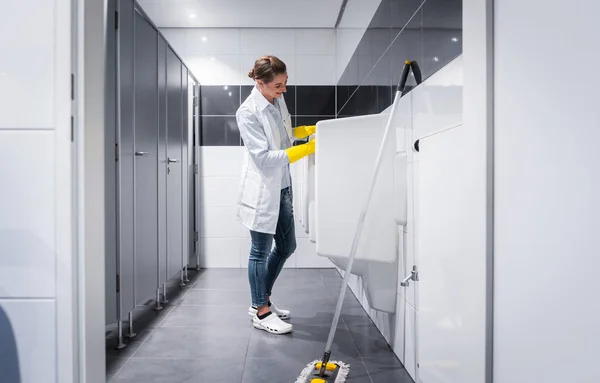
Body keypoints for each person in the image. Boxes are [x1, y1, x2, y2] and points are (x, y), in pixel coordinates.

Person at [236, 56, 316, 335]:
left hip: (282, 187)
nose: (284, 90)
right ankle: (261, 311)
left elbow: (282, 138)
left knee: (286, 246)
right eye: (278, 85)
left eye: (285, 83)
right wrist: (305, 150)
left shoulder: (276, 100)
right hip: (262, 190)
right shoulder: (247, 112)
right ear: (260, 83)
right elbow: (263, 157)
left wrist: (304, 133)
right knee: (259, 251)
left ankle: (263, 299)